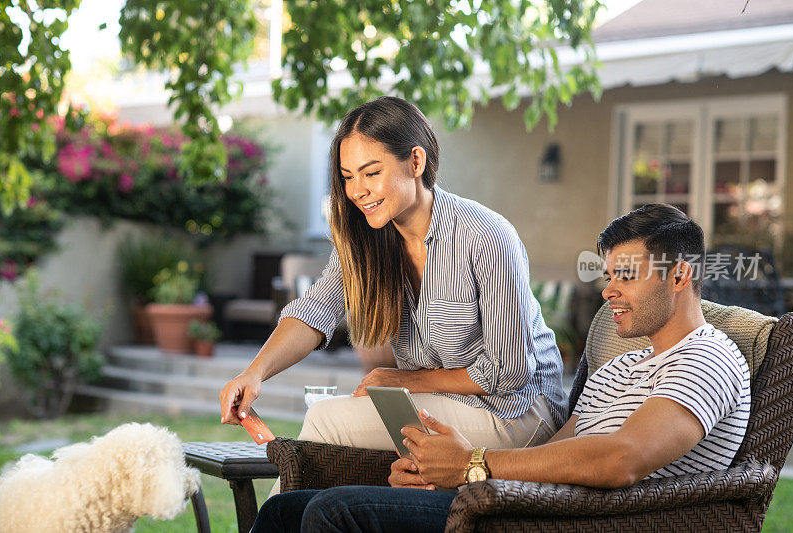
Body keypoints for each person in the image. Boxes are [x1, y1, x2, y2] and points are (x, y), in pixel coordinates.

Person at [254, 203, 751, 533]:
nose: (608, 291)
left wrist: (474, 465)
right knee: (284, 511)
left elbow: (622, 460)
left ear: (680, 275)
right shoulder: (621, 367)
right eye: (607, 275)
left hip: (570, 521)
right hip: (520, 503)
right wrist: (451, 471)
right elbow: (556, 452)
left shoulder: (708, 357)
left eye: (625, 276)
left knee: (330, 512)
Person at [219, 96, 567, 458]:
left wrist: (406, 381)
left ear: (416, 161)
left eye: (371, 173)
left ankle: (280, 515)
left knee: (326, 420)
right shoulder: (367, 239)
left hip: (520, 413)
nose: (356, 191)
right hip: (435, 403)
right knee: (332, 437)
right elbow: (316, 309)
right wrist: (254, 374)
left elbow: (508, 372)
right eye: (347, 177)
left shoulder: (487, 236)